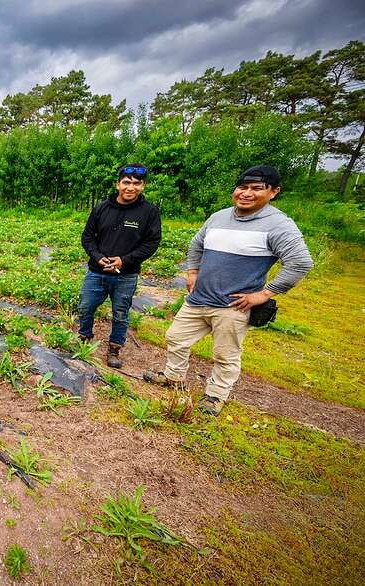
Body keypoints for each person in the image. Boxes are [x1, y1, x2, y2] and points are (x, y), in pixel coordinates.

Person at [144, 165, 313, 415]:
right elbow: (196, 245)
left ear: (274, 192)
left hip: (233, 305)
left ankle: (215, 396)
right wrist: (192, 272)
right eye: (242, 187)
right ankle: (173, 376)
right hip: (198, 298)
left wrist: (265, 294)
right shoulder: (219, 217)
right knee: (176, 338)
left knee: (226, 354)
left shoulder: (278, 225)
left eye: (257, 189)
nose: (246, 193)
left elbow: (301, 262)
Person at [78, 163, 162, 368]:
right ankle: (84, 338)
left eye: (136, 183)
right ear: (118, 184)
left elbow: (152, 242)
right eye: (126, 182)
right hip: (97, 271)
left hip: (126, 274)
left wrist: (124, 260)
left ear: (143, 186)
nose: (130, 187)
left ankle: (115, 347)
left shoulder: (149, 212)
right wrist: (98, 257)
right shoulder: (102, 208)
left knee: (121, 313)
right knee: (85, 306)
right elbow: (88, 236)